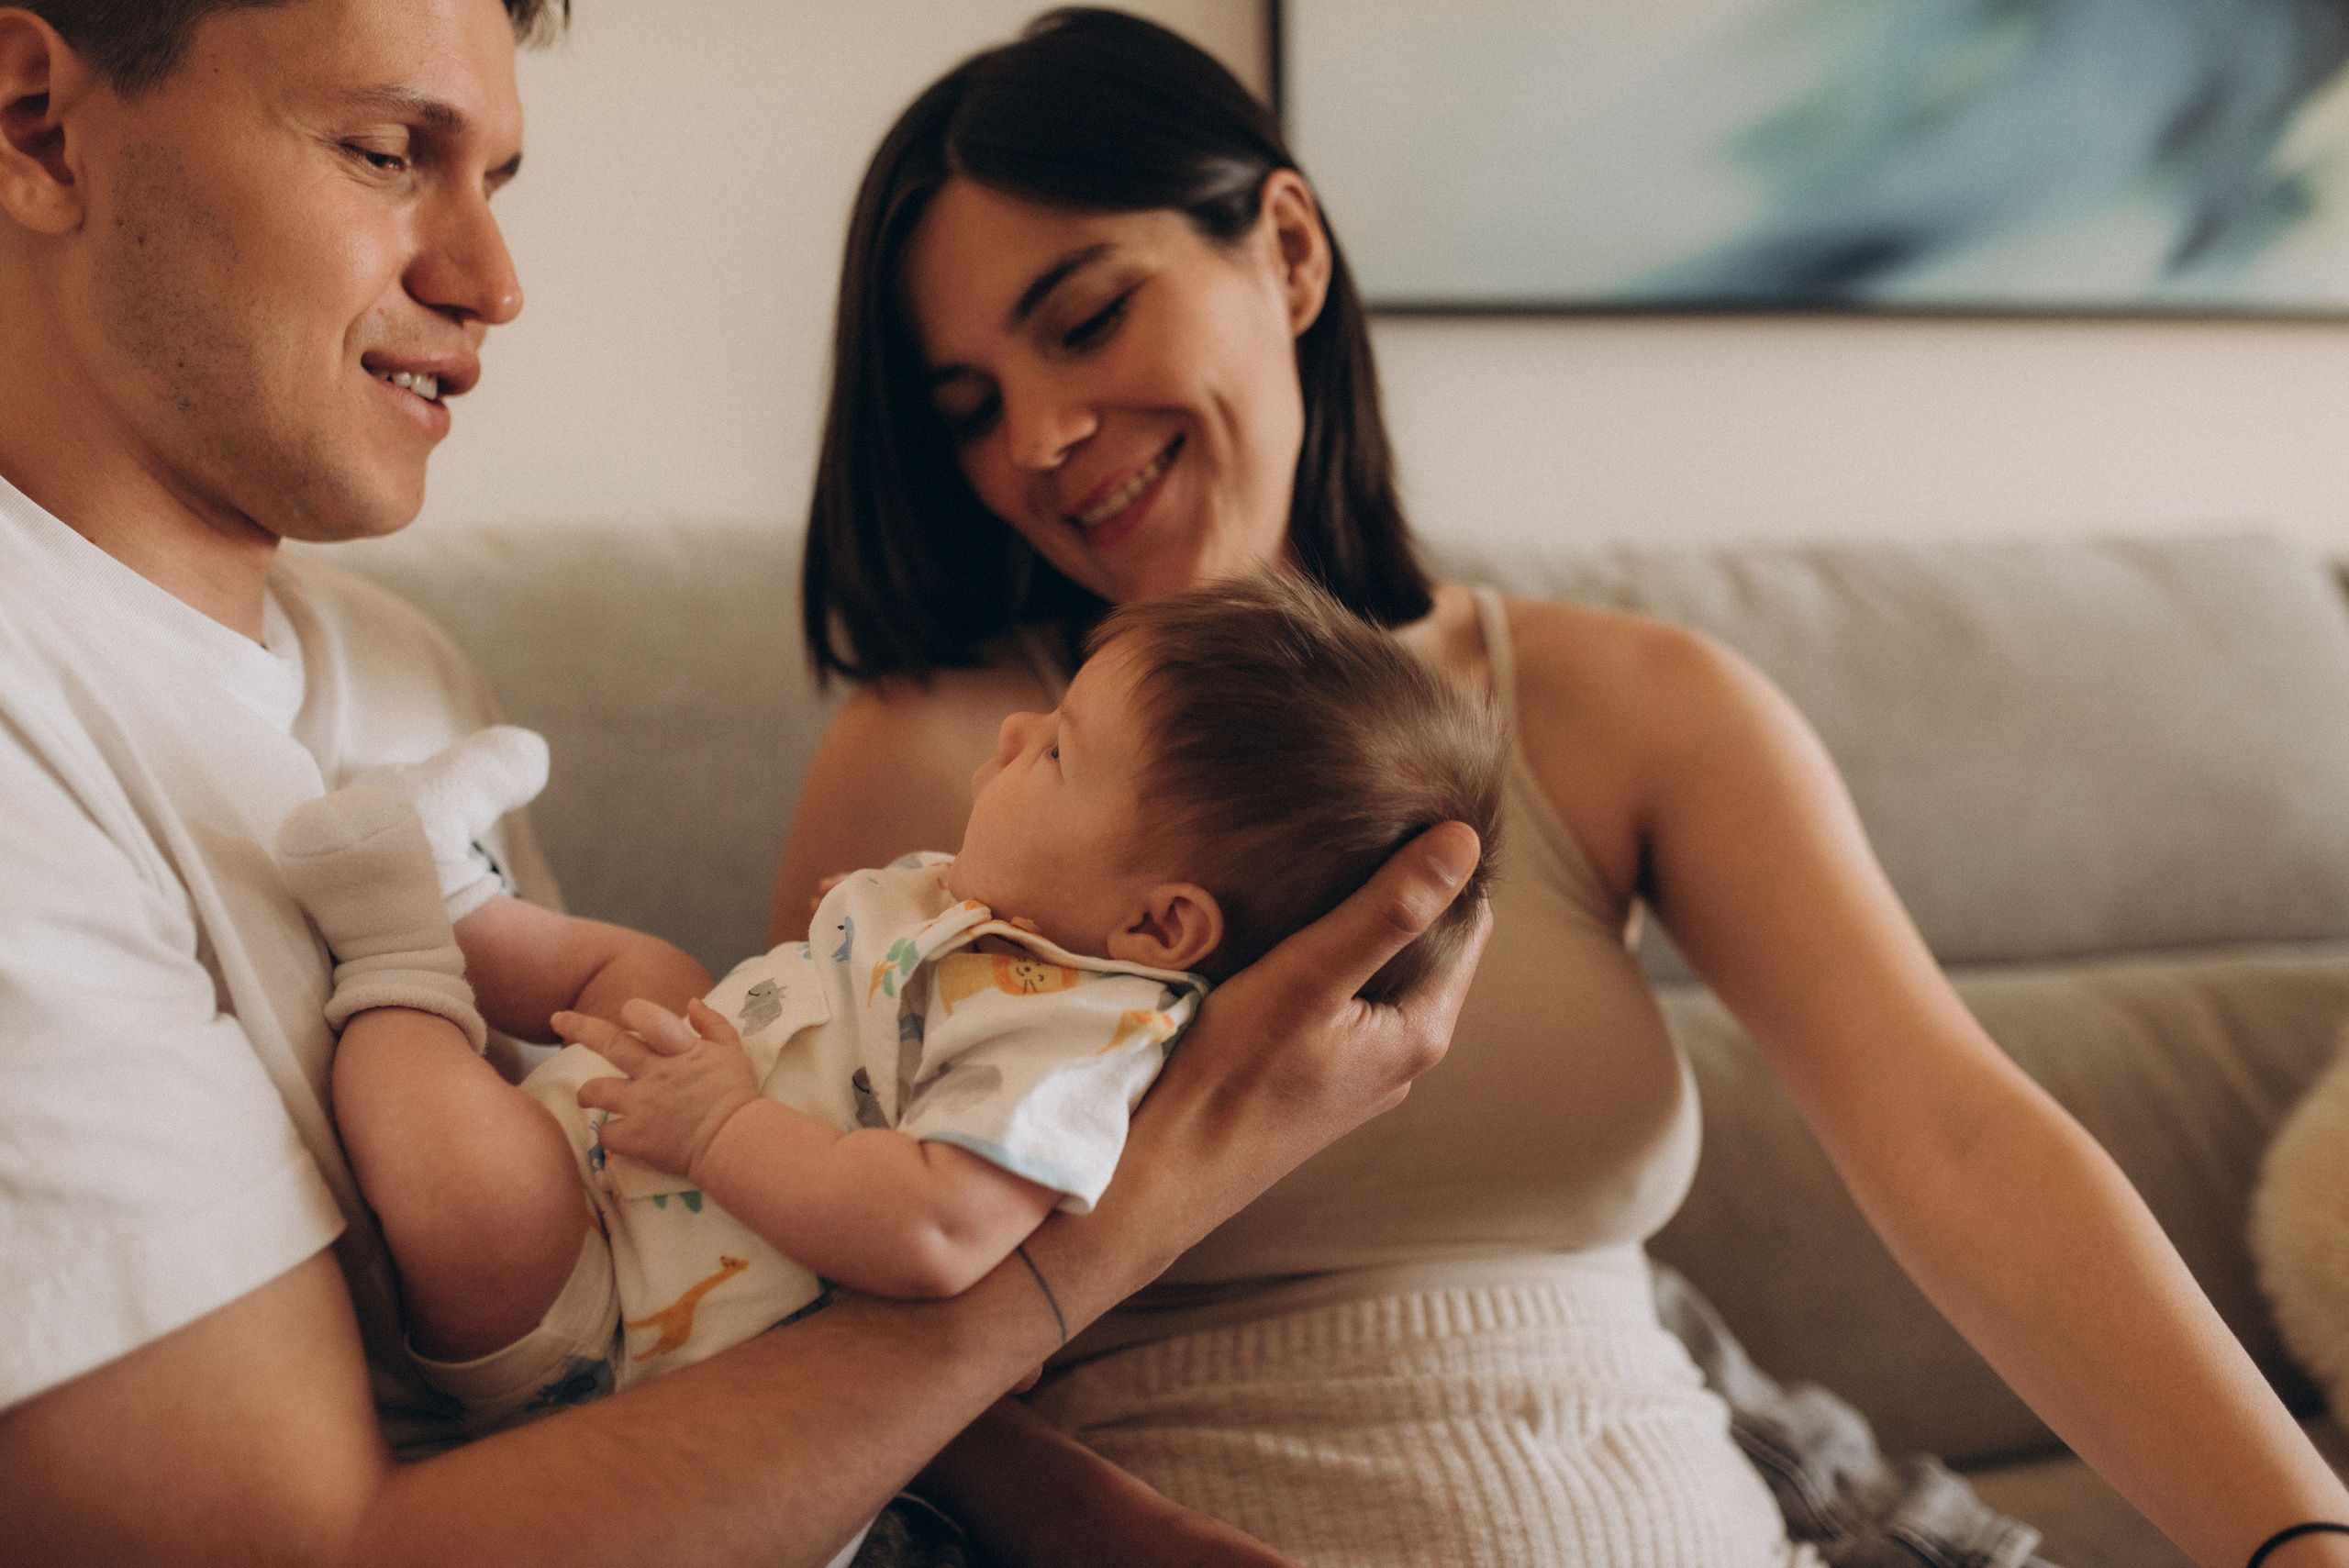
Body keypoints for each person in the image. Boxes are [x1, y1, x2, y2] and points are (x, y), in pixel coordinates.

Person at [775, 10, 2349, 1568]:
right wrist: (1104, 1526)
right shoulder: (946, 755)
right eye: (968, 407)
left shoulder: (1627, 707)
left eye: (1086, 318)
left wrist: (2297, 1534)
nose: (1041, 439)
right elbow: (801, 1292)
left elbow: (1960, 1139)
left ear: (1290, 252)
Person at [0, 3, 1489, 1564]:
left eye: (494, 183)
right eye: (383, 153)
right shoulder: (35, 737)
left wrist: (1091, 1518)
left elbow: (653, 1275)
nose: (494, 283)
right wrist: (1132, 1210)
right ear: (39, 125)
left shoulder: (401, 675)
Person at [274, 575, 1498, 1452]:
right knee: (641, 967)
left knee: (475, 1201)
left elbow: (934, 1228)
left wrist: (721, 1129)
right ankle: (451, 885)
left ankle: (392, 945)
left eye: (1059, 755)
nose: (1015, 731)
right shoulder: (1009, 918)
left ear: (1160, 929)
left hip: (609, 1319)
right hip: (639, 1145)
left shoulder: (1076, 1040)